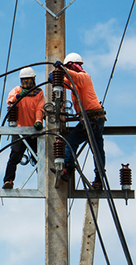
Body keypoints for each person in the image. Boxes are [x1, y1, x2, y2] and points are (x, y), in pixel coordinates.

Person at [59, 53, 106, 189]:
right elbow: (66, 82)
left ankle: (68, 168)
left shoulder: (83, 78)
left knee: (71, 142)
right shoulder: (77, 83)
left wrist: (61, 68)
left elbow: (71, 76)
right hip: (95, 119)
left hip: (91, 119)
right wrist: (55, 79)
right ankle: (99, 179)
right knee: (97, 150)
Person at [2, 67, 45, 189]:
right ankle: (8, 180)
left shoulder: (39, 93)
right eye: (24, 80)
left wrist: (38, 121)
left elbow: (39, 108)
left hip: (34, 131)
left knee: (40, 158)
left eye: (29, 80)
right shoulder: (16, 90)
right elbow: (10, 101)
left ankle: (45, 182)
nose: (26, 82)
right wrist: (18, 96)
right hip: (19, 130)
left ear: (33, 80)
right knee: (15, 155)